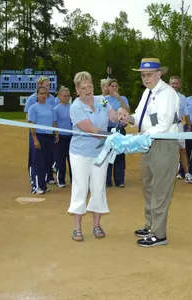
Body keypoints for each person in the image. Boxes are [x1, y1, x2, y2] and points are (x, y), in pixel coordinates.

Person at [124, 58, 180, 247]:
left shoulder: (168, 94)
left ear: (159, 74)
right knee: (148, 185)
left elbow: (163, 126)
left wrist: (139, 137)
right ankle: (151, 225)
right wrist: (127, 117)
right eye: (143, 75)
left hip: (164, 144)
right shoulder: (148, 93)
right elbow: (139, 118)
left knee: (160, 189)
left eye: (148, 74)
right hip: (148, 144)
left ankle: (159, 234)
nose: (145, 78)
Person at [67, 71, 124, 242]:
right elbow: (91, 130)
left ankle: (97, 225)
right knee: (81, 188)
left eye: (89, 86)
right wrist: (115, 137)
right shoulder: (75, 107)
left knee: (98, 187)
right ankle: (77, 228)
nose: (87, 90)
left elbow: (112, 116)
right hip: (80, 153)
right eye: (83, 88)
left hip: (100, 153)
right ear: (77, 90)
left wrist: (120, 115)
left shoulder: (102, 100)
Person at [24, 76, 58, 186]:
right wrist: (33, 132)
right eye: (45, 86)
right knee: (36, 157)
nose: (47, 88)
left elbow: (53, 116)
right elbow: (29, 118)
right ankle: (34, 179)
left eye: (48, 86)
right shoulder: (32, 101)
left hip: (49, 133)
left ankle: (47, 178)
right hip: (37, 132)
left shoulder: (51, 99)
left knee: (48, 157)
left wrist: (55, 132)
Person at [105, 79, 130, 188]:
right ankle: (107, 180)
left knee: (119, 154)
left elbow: (127, 110)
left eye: (116, 86)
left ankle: (119, 180)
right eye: (112, 86)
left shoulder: (123, 98)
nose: (114, 88)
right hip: (107, 129)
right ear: (108, 87)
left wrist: (119, 98)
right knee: (108, 154)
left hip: (120, 129)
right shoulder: (104, 99)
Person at [169, 76, 192, 184]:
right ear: (169, 84)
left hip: (178, 125)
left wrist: (188, 126)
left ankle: (187, 174)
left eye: (176, 83)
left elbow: (185, 113)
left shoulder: (182, 98)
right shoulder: (162, 96)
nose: (174, 85)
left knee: (182, 150)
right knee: (167, 151)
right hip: (166, 127)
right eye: (172, 83)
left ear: (179, 85)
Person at [54, 86, 72, 188]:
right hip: (60, 137)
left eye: (68, 96)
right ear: (60, 97)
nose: (66, 98)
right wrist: (56, 134)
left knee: (72, 160)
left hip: (71, 137)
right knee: (60, 160)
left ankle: (74, 180)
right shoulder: (56, 109)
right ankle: (60, 180)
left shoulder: (72, 107)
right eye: (64, 96)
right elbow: (54, 122)